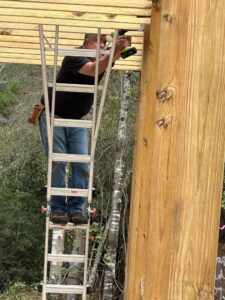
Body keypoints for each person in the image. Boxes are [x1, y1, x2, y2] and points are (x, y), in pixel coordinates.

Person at [39, 33, 130, 225]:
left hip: (78, 121)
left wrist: (121, 46)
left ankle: (75, 209)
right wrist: (114, 50)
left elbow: (108, 60)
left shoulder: (101, 58)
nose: (104, 45)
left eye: (106, 42)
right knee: (58, 161)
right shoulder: (74, 55)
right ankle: (57, 209)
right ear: (87, 43)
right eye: (101, 42)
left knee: (82, 164)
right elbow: (93, 69)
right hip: (54, 116)